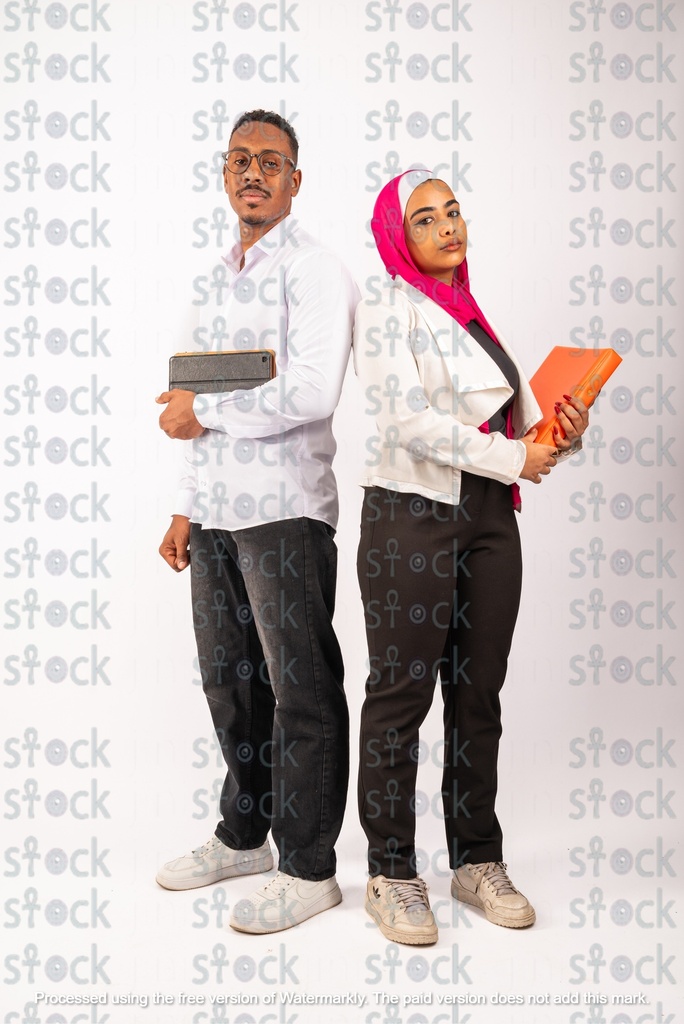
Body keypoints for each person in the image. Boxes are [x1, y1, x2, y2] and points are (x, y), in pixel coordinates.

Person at [354, 169, 588, 945]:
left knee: (477, 692)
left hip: (487, 517)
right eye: (425, 219)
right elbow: (409, 422)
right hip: (412, 514)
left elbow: (496, 428)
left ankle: (475, 860)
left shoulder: (470, 312)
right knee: (400, 697)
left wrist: (552, 436)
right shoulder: (387, 306)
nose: (447, 226)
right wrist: (511, 458)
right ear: (399, 235)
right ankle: (391, 871)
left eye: (453, 210)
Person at [155, 110, 359, 934]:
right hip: (216, 517)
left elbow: (311, 392)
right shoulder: (210, 280)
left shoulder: (314, 272)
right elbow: (179, 400)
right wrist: (183, 504)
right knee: (230, 683)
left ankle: (311, 867)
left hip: (284, 509)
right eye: (240, 159)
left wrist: (205, 410)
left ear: (295, 180)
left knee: (299, 689)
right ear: (224, 171)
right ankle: (246, 835)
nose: (253, 172)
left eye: (270, 161)